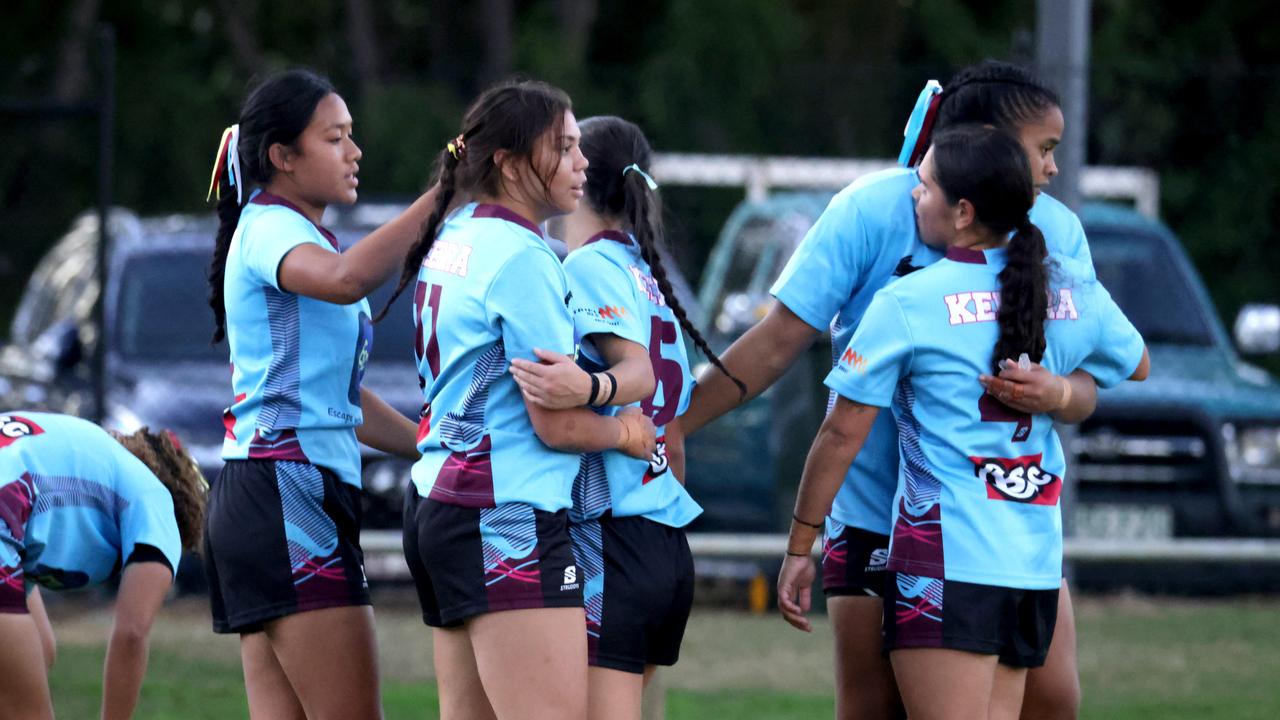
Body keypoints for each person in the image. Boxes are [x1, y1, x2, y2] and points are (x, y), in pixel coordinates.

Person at [681, 60, 1098, 720]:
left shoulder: (1056, 231)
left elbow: (1088, 378)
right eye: (1042, 150)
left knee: (1050, 700)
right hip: (876, 510)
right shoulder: (874, 209)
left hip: (1002, 520)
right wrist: (676, 424)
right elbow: (776, 340)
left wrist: (1060, 396)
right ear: (984, 140)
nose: (1051, 169)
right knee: (876, 704)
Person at [778, 125, 1149, 720]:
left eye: (923, 188)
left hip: (944, 564)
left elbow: (841, 433)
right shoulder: (1073, 290)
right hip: (1031, 568)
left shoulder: (908, 301)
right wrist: (1059, 389)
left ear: (963, 212)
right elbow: (1137, 365)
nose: (913, 198)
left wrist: (801, 544)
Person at [388, 81, 656, 720]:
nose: (581, 163)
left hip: (440, 501)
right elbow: (556, 425)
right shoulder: (525, 258)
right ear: (508, 162)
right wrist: (626, 433)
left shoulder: (456, 233)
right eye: (562, 148)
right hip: (503, 513)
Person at [204, 68, 430, 719]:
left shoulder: (299, 235)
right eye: (335, 138)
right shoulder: (272, 225)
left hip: (277, 494)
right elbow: (345, 280)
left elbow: (341, 401)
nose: (354, 152)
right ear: (283, 156)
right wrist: (440, 196)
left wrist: (431, 447)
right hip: (285, 496)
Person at [508, 115, 745, 720]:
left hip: (613, 536)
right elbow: (677, 432)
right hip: (662, 538)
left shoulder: (588, 268)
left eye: (565, 153)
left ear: (581, 176)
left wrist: (582, 389)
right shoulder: (649, 277)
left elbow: (630, 379)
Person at [0, 412, 207, 720]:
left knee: (38, 653)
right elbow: (132, 632)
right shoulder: (156, 498)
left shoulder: (88, 452)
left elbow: (37, 647)